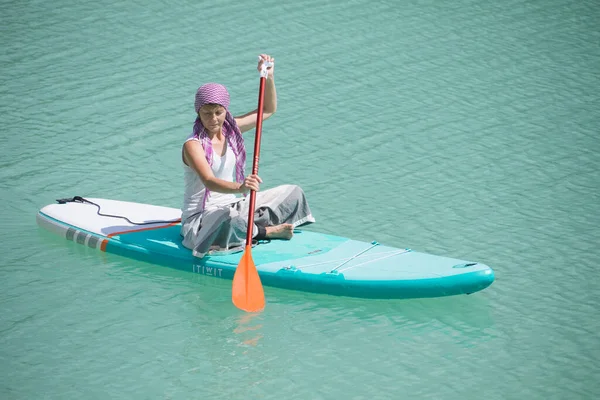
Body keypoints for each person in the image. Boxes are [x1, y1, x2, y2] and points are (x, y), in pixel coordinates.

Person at [180, 54, 315, 258]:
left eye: (218, 112)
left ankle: (246, 228)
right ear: (198, 113)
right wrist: (241, 187)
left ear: (226, 110)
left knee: (293, 193)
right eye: (207, 113)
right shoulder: (193, 145)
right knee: (230, 218)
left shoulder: (231, 130)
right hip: (201, 219)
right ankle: (264, 232)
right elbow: (209, 181)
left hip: (232, 206)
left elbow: (268, 110)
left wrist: (268, 77)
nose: (213, 119)